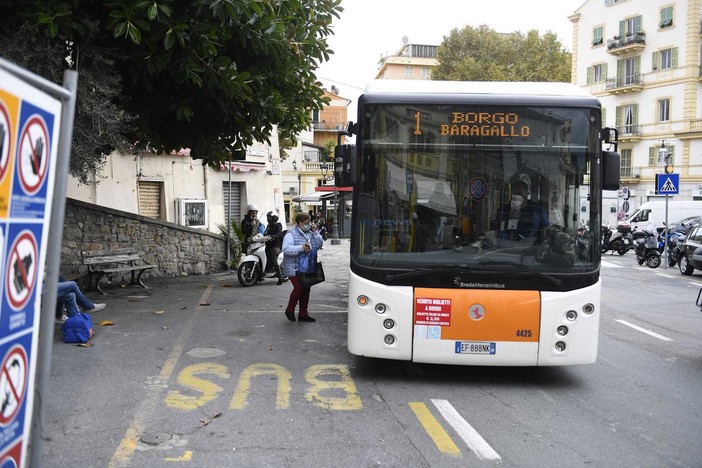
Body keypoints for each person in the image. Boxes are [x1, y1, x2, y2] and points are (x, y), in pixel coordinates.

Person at [281, 212, 324, 322]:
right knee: (299, 288)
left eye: (309, 223)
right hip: (293, 267)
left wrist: (315, 233)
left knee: (306, 289)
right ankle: (289, 310)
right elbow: (286, 248)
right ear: (299, 223)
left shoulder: (310, 233)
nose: (308, 225)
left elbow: (319, 244)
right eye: (306, 223)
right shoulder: (291, 234)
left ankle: (303, 314)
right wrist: (301, 248)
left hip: (307, 267)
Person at [264, 210, 285, 285]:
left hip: (275, 245)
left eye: (269, 217)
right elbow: (265, 233)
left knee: (274, 261)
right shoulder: (268, 226)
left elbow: (279, 234)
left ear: (274, 218)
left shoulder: (278, 225)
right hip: (267, 245)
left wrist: (272, 236)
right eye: (268, 217)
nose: (268, 219)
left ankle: (280, 277)